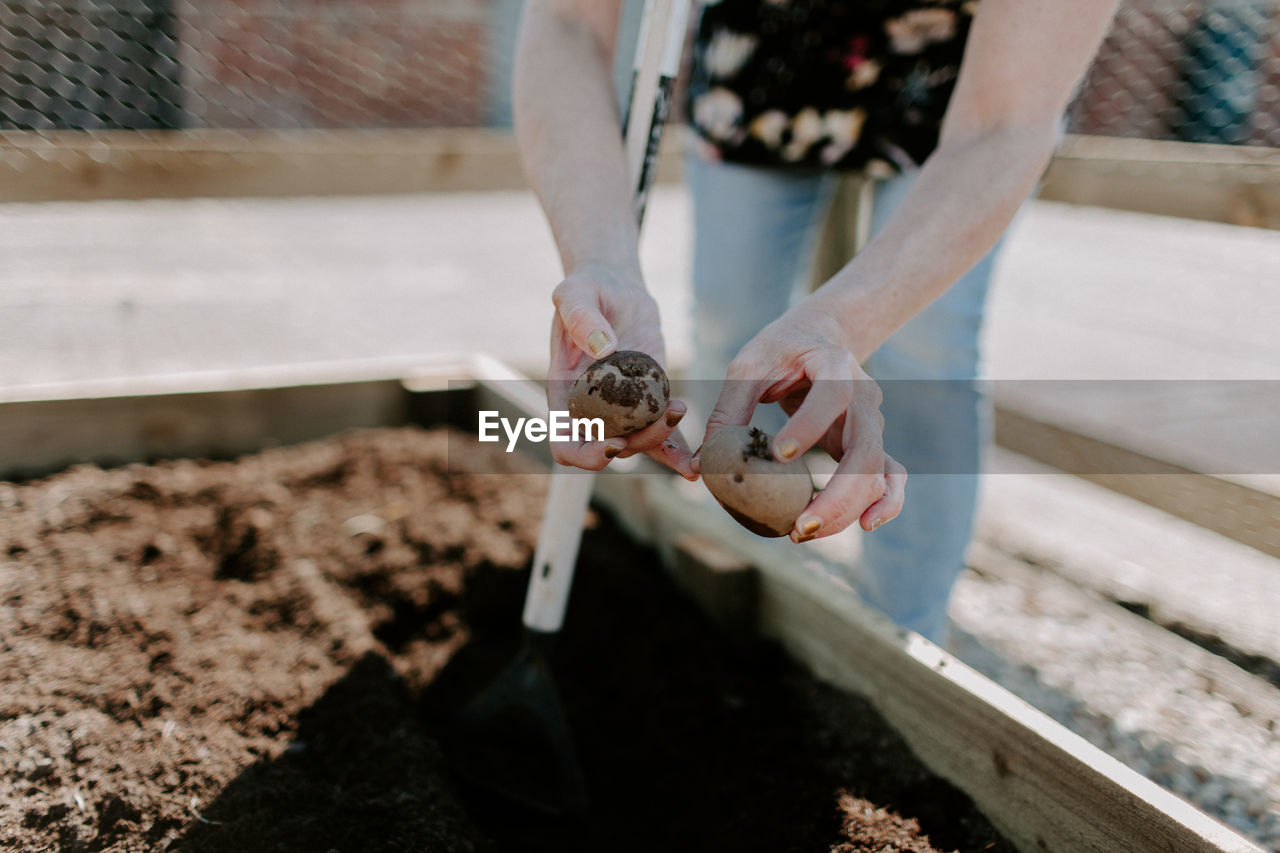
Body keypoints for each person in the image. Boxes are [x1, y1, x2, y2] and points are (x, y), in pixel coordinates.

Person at [513, 0, 1118, 642]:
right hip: (763, 55)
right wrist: (602, 260)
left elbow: (1005, 121)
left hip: (953, 71)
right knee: (732, 330)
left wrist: (842, 324)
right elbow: (567, 24)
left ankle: (904, 641)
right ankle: (730, 594)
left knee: (926, 347)